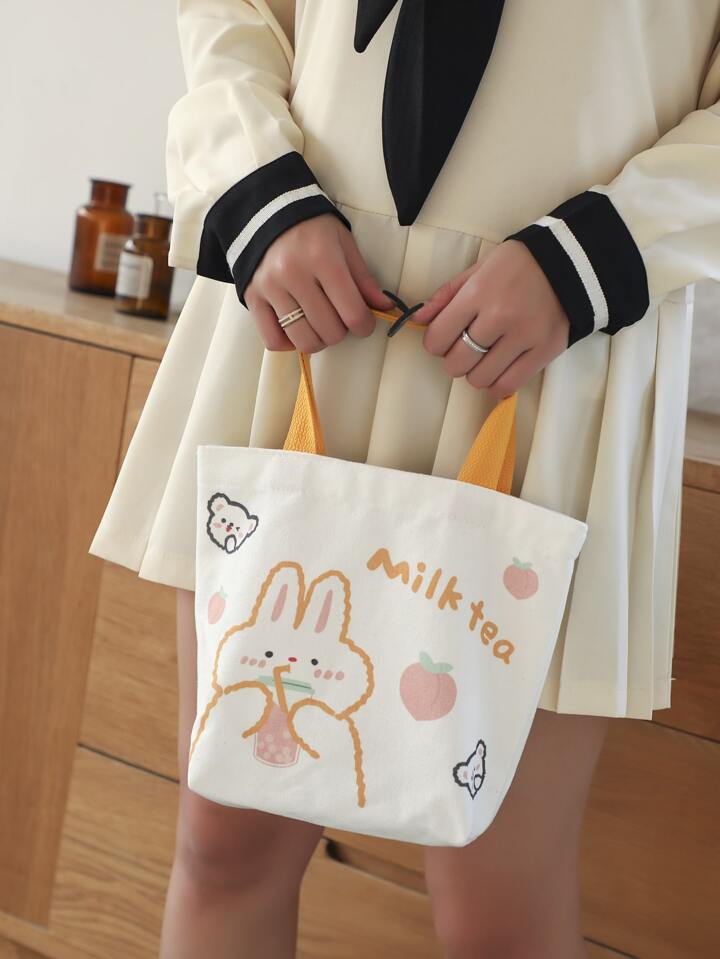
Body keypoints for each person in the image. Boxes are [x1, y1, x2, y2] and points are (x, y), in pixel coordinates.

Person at [89, 2, 720, 956]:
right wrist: (254, 182)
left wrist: (596, 256)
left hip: (557, 337)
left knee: (497, 904)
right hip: (302, 289)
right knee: (226, 843)